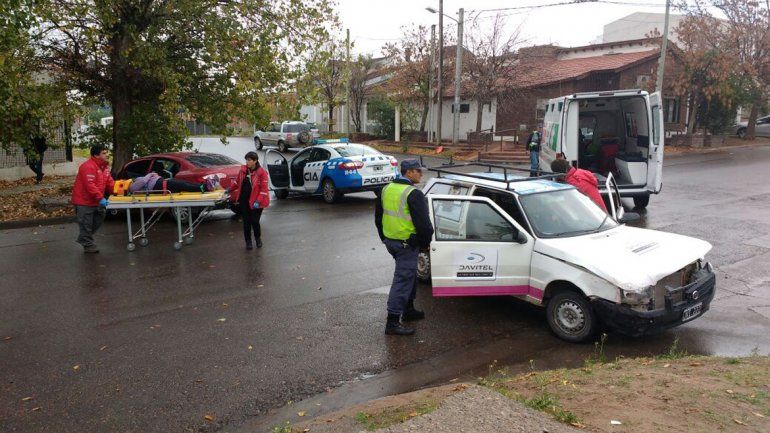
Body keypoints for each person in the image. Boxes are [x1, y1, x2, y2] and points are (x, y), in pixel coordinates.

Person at [375, 159, 435, 336]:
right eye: (418, 171)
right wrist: (424, 243)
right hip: (406, 245)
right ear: (408, 172)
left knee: (409, 275)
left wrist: (385, 238)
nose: (421, 174)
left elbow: (378, 218)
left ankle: (408, 309)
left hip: (392, 243)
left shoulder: (386, 189)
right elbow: (425, 226)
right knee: (403, 280)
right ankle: (392, 322)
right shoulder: (413, 194)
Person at [71, 145, 115, 253]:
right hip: (84, 201)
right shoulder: (88, 166)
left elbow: (110, 183)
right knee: (86, 224)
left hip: (96, 200)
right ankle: (88, 245)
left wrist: (119, 191)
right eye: (104, 153)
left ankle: (84, 238)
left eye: (106, 152)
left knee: (99, 219)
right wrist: (101, 198)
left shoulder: (104, 168)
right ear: (96, 155)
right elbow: (90, 185)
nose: (107, 155)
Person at [230, 151, 270, 249]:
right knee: (246, 222)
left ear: (255, 161)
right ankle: (248, 242)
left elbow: (264, 189)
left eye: (249, 160)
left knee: (255, 221)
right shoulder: (243, 171)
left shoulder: (261, 172)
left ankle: (258, 238)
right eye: (246, 160)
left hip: (257, 201)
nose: (247, 162)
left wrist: (258, 201)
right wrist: (229, 189)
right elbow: (237, 182)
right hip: (244, 200)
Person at [127, 172, 218, 194]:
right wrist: (150, 174)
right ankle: (205, 187)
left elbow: (145, 180)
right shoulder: (131, 187)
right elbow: (143, 181)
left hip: (163, 182)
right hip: (161, 186)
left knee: (184, 183)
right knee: (184, 185)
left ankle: (206, 185)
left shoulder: (135, 181)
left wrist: (153, 175)